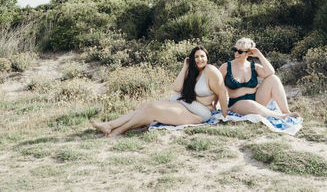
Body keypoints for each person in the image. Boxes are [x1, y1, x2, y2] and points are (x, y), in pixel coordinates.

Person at [92, 46, 228, 137]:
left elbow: (221, 92)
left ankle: (117, 130)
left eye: (202, 56)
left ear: (207, 57)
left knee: (152, 108)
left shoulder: (210, 70)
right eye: (196, 57)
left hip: (200, 113)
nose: (200, 59)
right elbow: (176, 88)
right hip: (186, 105)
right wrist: (185, 67)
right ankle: (110, 125)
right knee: (148, 106)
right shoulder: (192, 72)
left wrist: (225, 116)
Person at [219, 37, 299, 118]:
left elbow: (270, 72)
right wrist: (216, 105)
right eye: (235, 50)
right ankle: (282, 116)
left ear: (248, 53)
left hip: (257, 99)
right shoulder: (225, 67)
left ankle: (286, 112)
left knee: (273, 78)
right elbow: (216, 87)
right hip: (236, 104)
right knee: (249, 104)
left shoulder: (253, 66)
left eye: (240, 51)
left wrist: (259, 55)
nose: (236, 53)